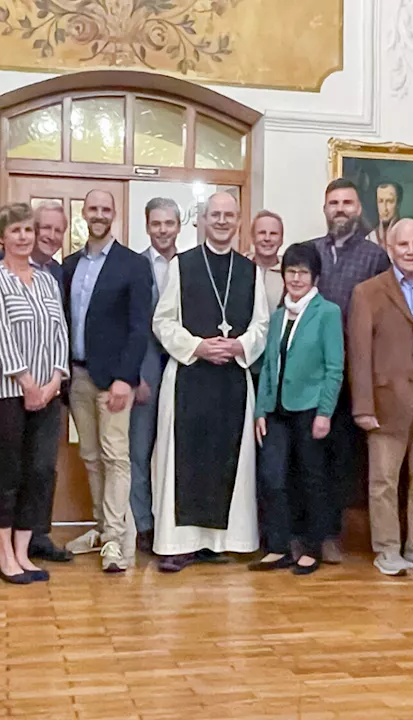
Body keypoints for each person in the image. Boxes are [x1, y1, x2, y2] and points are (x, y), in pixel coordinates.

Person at [151, 192, 269, 571]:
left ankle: (219, 541)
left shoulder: (250, 270)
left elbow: (262, 325)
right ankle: (178, 544)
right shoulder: (182, 265)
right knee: (184, 461)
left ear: (238, 221)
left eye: (229, 215)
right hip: (189, 376)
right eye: (214, 214)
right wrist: (198, 347)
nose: (221, 221)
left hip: (232, 381)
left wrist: (239, 345)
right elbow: (163, 321)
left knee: (227, 457)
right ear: (202, 220)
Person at [0, 200, 70, 563]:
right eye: (16, 231)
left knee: (41, 472)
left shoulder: (47, 280)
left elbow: (61, 331)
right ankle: (4, 553)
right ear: (1, 237)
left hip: (48, 393)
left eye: (28, 229)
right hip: (7, 392)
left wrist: (55, 380)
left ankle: (23, 551)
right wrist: (27, 383)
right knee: (9, 473)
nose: (24, 236)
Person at [60, 190, 153, 572]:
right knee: (90, 457)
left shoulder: (132, 265)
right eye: (93, 208)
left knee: (116, 457)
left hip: (114, 381)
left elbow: (138, 328)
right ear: (83, 213)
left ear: (114, 215)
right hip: (78, 376)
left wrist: (125, 378)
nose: (98, 214)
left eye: (105, 209)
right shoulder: (68, 265)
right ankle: (101, 528)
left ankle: (116, 540)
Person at [349, 219, 413, 577]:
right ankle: (387, 549)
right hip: (386, 396)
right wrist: (362, 406)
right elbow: (358, 354)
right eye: (402, 245)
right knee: (384, 480)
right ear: (390, 249)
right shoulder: (368, 292)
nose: (410, 251)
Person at [311, 177, 391, 563]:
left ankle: (332, 535)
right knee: (309, 454)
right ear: (324, 209)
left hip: (351, 373)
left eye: (347, 203)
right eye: (333, 203)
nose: (339, 209)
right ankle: (309, 531)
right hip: (311, 374)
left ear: (359, 209)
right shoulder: (310, 252)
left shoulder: (375, 257)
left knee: (342, 459)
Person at [251, 242, 343, 576]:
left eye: (303, 272)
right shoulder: (277, 316)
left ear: (315, 276)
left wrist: (325, 412)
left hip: (310, 408)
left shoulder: (327, 312)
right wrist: (260, 410)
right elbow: (269, 366)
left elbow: (335, 368)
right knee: (273, 477)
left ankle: (311, 548)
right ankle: (278, 547)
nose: (296, 278)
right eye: (291, 271)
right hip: (276, 409)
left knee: (310, 478)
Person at [130, 197, 180, 552]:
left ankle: (176, 526)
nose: (162, 230)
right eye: (156, 224)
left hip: (184, 370)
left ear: (179, 226)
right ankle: (143, 525)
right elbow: (128, 325)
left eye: (169, 223)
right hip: (145, 370)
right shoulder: (133, 266)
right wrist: (134, 375)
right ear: (147, 226)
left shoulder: (192, 265)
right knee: (139, 450)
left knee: (178, 450)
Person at [249, 210, 286, 310]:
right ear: (252, 238)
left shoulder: (289, 274)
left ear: (281, 240)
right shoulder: (238, 270)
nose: (267, 238)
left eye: (273, 233)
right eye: (262, 233)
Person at [366, 181, 402, 248]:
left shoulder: (407, 235)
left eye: (390, 201)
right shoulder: (370, 238)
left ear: (398, 204)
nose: (384, 208)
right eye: (380, 201)